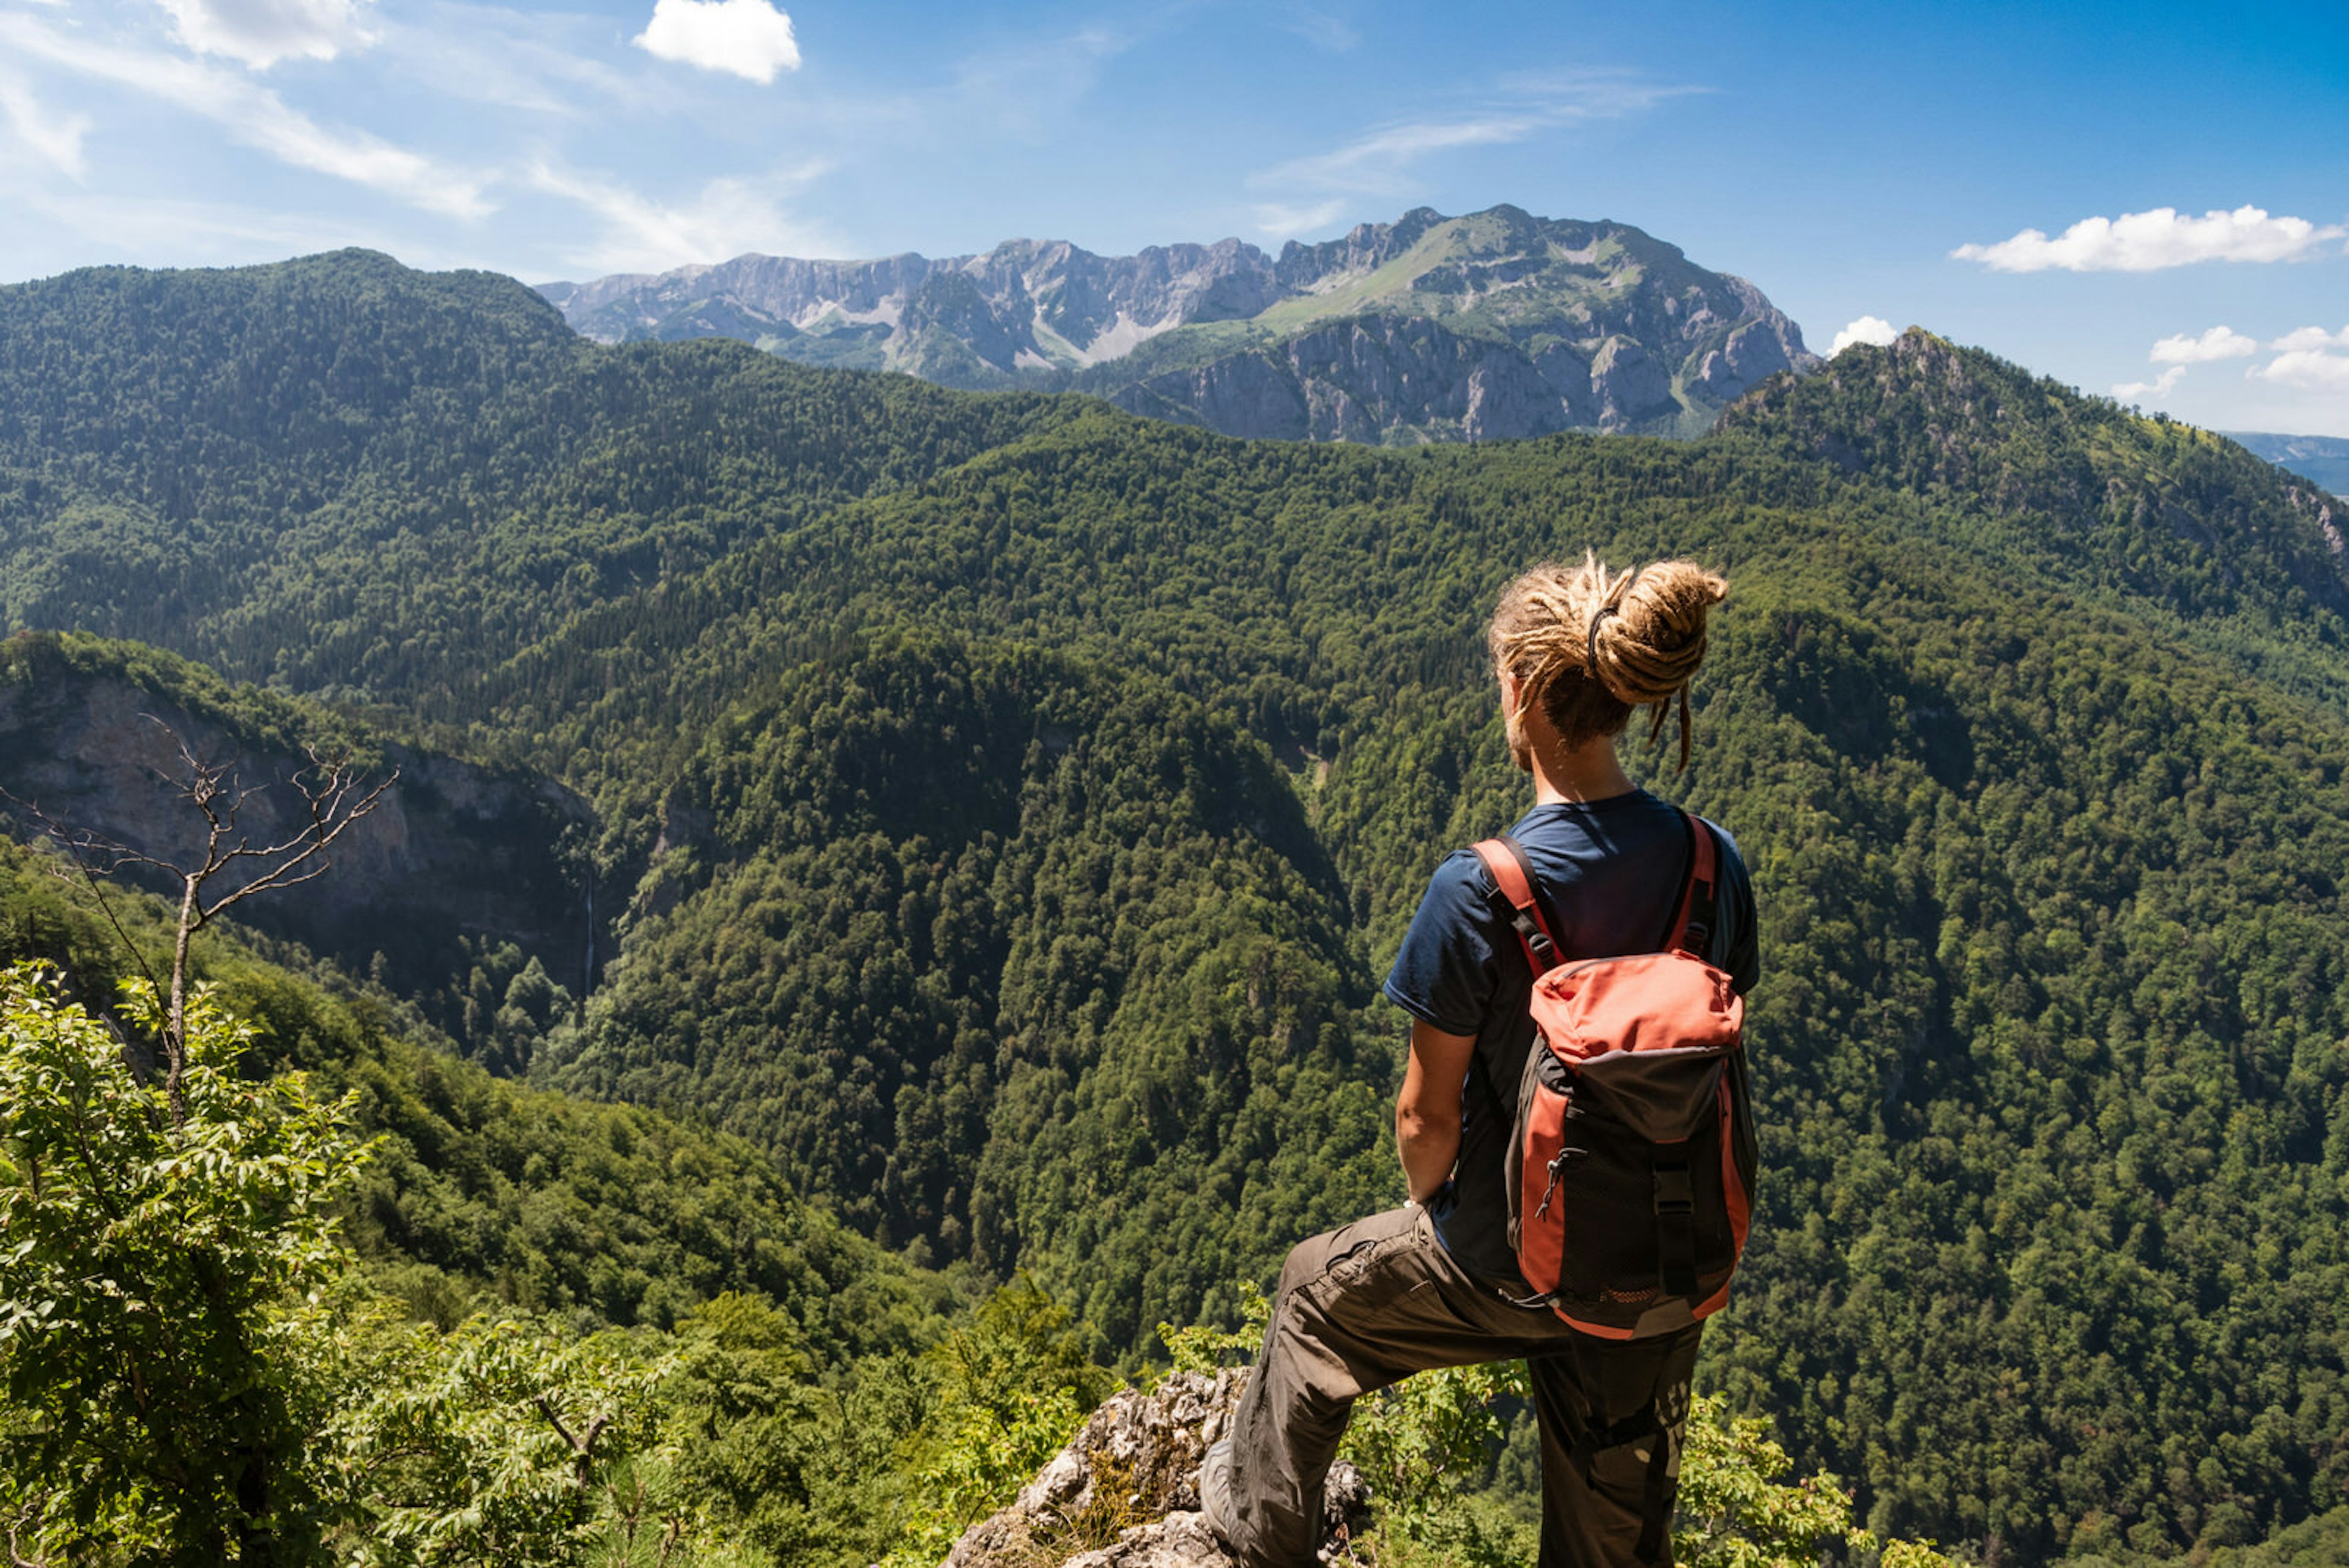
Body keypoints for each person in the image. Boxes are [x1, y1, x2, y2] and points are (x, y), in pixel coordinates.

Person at [1201, 555, 1759, 1568]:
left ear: (1520, 693)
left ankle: (1253, 1541)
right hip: (1663, 1265)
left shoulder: (1480, 889)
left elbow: (1428, 1120)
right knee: (1613, 1546)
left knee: (1311, 1295)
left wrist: (1439, 1212)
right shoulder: (1715, 865)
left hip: (1503, 1259)